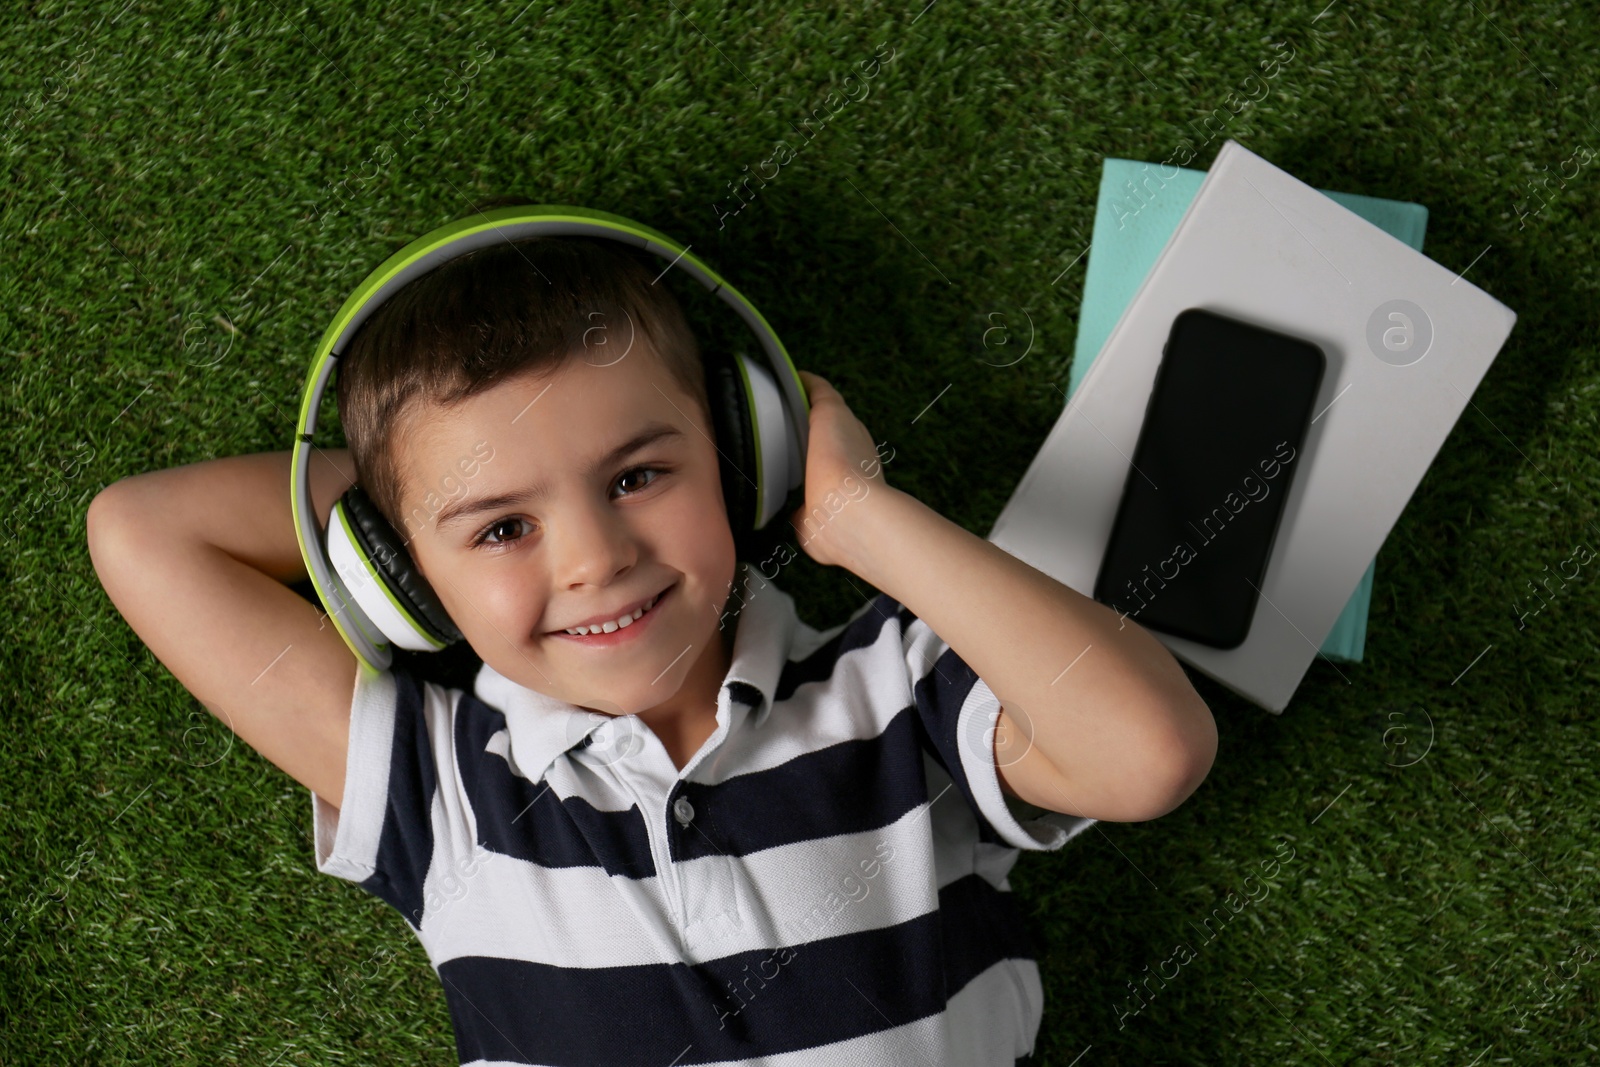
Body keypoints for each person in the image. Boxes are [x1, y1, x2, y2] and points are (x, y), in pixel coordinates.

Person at [86, 226, 1217, 1066]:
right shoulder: (450, 790)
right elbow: (138, 530)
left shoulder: (896, 688)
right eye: (503, 526)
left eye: (637, 474)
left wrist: (855, 516)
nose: (592, 557)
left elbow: (1148, 750)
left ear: (740, 454)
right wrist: (400, 494)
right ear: (399, 569)